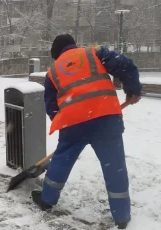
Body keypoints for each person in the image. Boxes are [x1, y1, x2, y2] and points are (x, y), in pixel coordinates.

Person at [31, 34, 142, 229]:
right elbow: (126, 65)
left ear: (56, 54)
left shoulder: (53, 71)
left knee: (61, 162)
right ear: (73, 45)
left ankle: (47, 200)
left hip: (74, 124)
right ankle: (122, 216)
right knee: (114, 166)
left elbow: (52, 107)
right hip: (106, 119)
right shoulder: (95, 53)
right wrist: (132, 90)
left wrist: (66, 125)